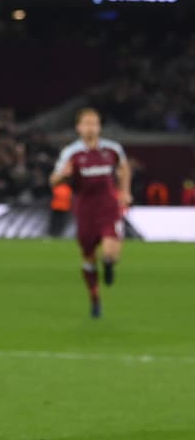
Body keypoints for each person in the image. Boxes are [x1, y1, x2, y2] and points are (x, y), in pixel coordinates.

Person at [49, 107, 131, 318]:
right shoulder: (71, 153)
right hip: (85, 211)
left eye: (94, 123)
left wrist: (124, 191)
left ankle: (110, 265)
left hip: (109, 208)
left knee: (110, 252)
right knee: (88, 257)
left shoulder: (112, 150)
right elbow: (53, 180)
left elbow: (124, 168)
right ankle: (94, 297)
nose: (90, 127)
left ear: (99, 126)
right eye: (86, 123)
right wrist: (62, 175)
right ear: (78, 128)